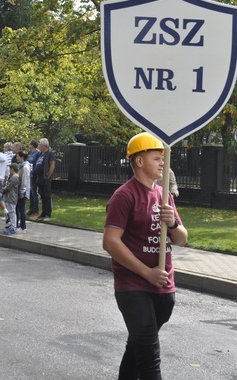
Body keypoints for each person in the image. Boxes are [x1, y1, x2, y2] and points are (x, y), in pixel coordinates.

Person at [103, 133, 188, 379]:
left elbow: (181, 239)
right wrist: (146, 273)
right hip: (134, 287)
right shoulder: (124, 196)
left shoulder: (165, 195)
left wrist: (172, 223)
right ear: (139, 161)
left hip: (164, 287)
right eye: (156, 158)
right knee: (150, 357)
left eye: (163, 158)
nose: (163, 163)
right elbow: (110, 242)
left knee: (138, 347)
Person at [34, 138, 55, 220]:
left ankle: (48, 213)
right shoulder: (40, 154)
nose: (39, 145)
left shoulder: (50, 154)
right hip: (39, 178)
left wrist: (48, 176)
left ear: (44, 145)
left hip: (45, 178)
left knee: (47, 196)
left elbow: (52, 165)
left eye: (40, 144)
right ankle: (43, 212)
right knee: (42, 195)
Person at [1, 163, 21, 235]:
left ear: (12, 169)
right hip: (11, 197)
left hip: (11, 197)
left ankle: (13, 227)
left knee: (12, 212)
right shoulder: (15, 177)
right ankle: (12, 226)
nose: (9, 170)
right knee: (11, 212)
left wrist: (3, 190)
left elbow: (9, 188)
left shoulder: (14, 178)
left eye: (10, 168)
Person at [15, 151, 30, 234]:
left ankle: (23, 227)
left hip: (22, 191)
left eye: (18, 156)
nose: (16, 158)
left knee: (21, 209)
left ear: (22, 157)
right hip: (20, 190)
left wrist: (22, 191)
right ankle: (18, 225)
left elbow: (24, 180)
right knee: (19, 208)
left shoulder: (25, 167)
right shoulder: (22, 166)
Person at [26, 140, 41, 217]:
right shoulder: (29, 153)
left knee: (35, 192)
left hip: (34, 174)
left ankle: (36, 210)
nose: (28, 145)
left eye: (29, 144)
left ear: (32, 145)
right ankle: (31, 209)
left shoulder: (37, 153)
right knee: (30, 191)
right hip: (29, 174)